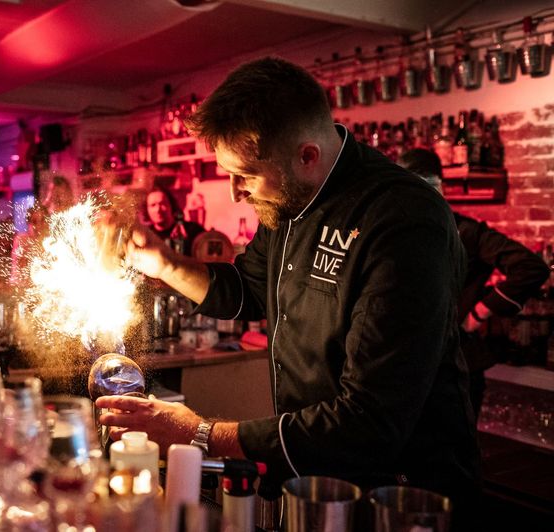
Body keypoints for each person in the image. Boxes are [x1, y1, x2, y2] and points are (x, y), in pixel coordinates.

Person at [97, 57, 480, 526]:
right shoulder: (289, 199)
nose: (236, 192)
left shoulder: (403, 221)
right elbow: (245, 292)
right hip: (315, 480)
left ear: (307, 155)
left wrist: (197, 434)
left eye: (246, 175)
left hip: (401, 500)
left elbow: (369, 421)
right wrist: (165, 263)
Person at [398, 148, 549, 417]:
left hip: (457, 361)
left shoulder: (467, 231)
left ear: (440, 186)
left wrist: (480, 311)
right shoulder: (394, 232)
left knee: (457, 452)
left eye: (428, 184)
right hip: (407, 364)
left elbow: (531, 267)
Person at [143, 185, 205, 256]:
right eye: (153, 205)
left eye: (162, 204)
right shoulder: (144, 236)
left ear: (171, 205)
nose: (158, 209)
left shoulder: (193, 231)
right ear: (147, 210)